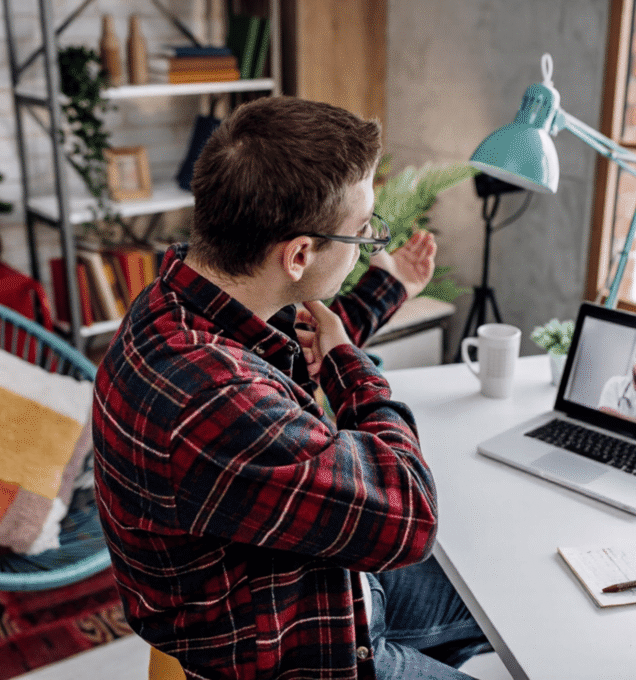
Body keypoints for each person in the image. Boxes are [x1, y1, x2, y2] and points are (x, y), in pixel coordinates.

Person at [92, 96, 491, 680]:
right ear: (299, 253)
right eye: (363, 231)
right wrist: (352, 367)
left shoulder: (176, 304)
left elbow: (287, 346)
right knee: (491, 598)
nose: (371, 242)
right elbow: (411, 514)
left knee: (496, 593)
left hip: (311, 582)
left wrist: (387, 290)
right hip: (298, 645)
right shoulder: (216, 399)